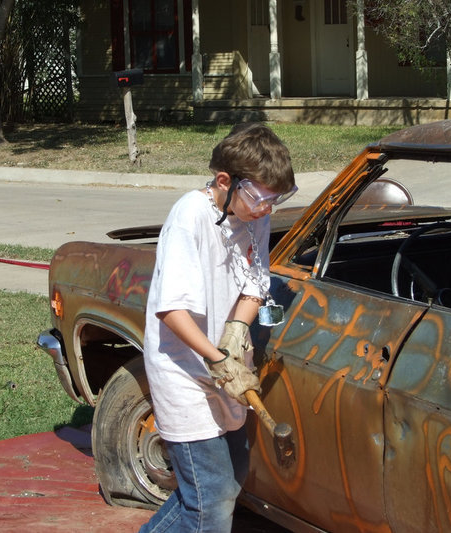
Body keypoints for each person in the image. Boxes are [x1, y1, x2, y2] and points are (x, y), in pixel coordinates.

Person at [140, 123, 297, 532]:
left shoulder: (253, 216)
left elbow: (254, 286)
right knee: (210, 504)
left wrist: (233, 336)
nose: (266, 209)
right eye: (261, 198)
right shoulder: (189, 216)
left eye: (275, 200)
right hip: (185, 372)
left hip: (225, 366)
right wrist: (217, 358)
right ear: (224, 181)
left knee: (227, 485)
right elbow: (170, 309)